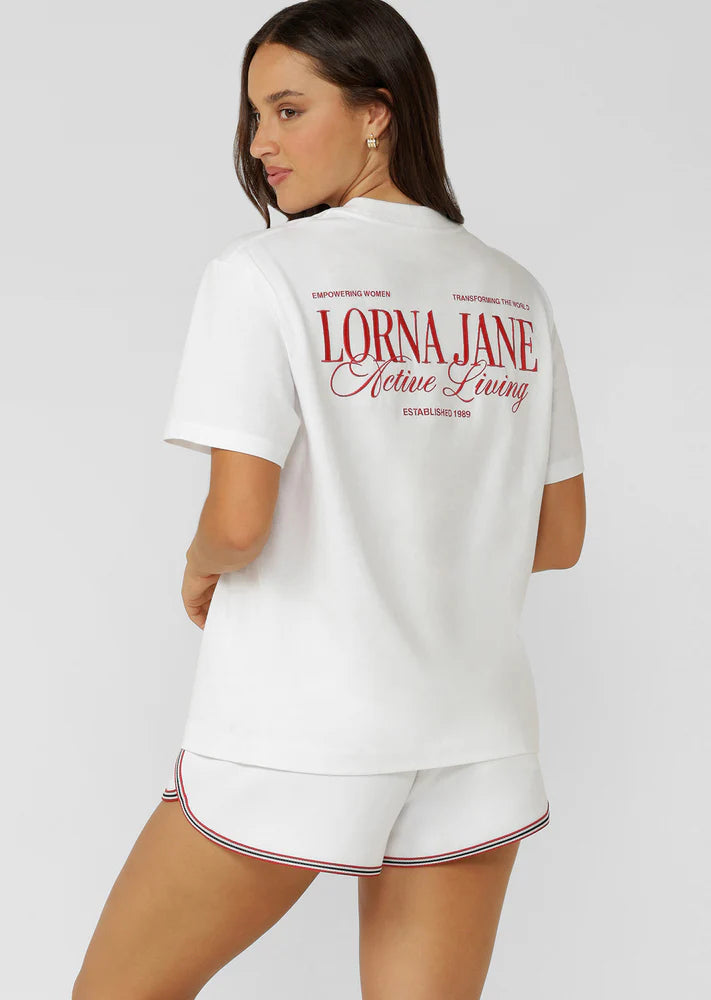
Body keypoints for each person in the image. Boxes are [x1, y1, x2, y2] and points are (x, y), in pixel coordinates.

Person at [72, 1, 586, 997]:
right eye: (252, 115)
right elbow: (559, 534)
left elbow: (238, 522)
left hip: (302, 728)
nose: (258, 142)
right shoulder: (514, 291)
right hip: (473, 733)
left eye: (287, 109)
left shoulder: (261, 275)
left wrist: (200, 565)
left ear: (376, 112)